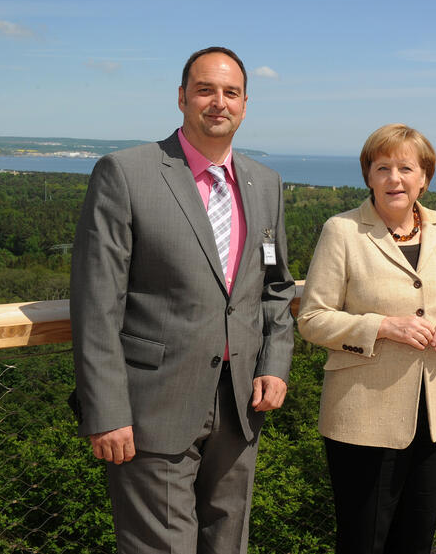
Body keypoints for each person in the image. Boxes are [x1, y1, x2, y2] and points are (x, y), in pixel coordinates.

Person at [70, 46, 296, 554]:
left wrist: (275, 364)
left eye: (231, 92)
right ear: (181, 98)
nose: (219, 102)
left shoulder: (265, 184)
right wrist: (106, 410)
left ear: (245, 103)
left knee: (226, 543)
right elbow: (97, 302)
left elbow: (276, 288)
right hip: (151, 408)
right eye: (205, 90)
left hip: (240, 405)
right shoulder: (126, 173)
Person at [297, 123, 436, 554]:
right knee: (363, 539)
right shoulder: (341, 231)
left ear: (424, 177)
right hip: (363, 416)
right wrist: (381, 326)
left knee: (417, 537)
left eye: (405, 168)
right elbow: (312, 318)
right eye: (383, 168)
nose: (394, 179)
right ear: (369, 176)